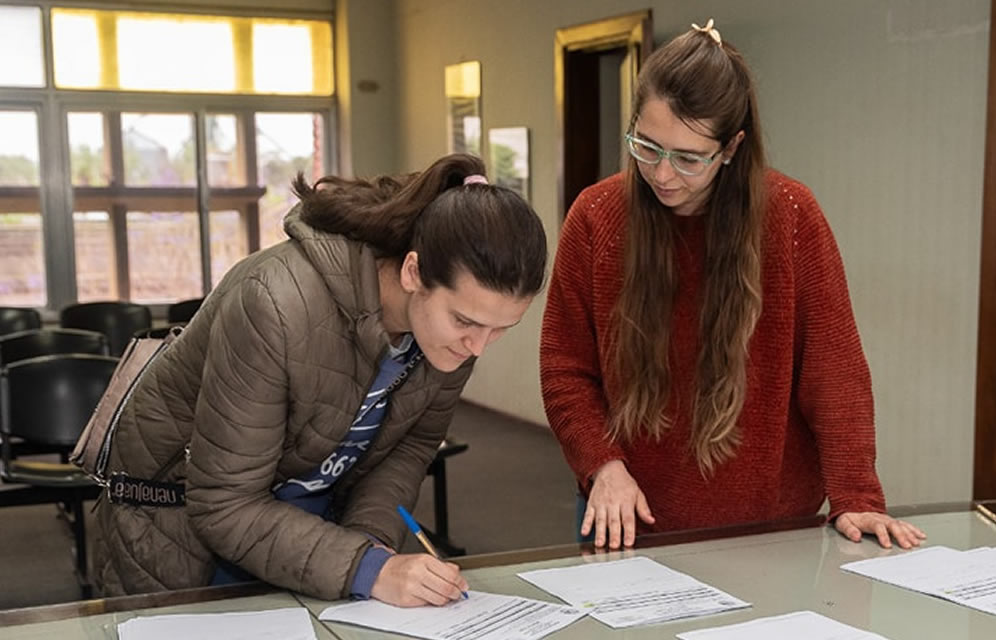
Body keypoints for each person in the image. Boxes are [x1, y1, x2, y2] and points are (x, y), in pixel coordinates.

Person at [94, 154, 547, 606]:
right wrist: (366, 568)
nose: (479, 347)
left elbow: (407, 448)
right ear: (413, 272)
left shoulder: (454, 334)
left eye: (502, 328)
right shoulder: (275, 304)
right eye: (466, 321)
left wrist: (368, 546)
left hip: (299, 526)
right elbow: (224, 502)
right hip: (181, 530)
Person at [540, 20, 925, 551]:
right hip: (628, 515)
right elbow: (566, 367)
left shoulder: (790, 216)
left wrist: (856, 493)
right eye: (647, 147)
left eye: (690, 158)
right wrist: (601, 464)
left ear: (732, 147)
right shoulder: (596, 217)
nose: (664, 174)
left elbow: (834, 367)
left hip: (772, 526)